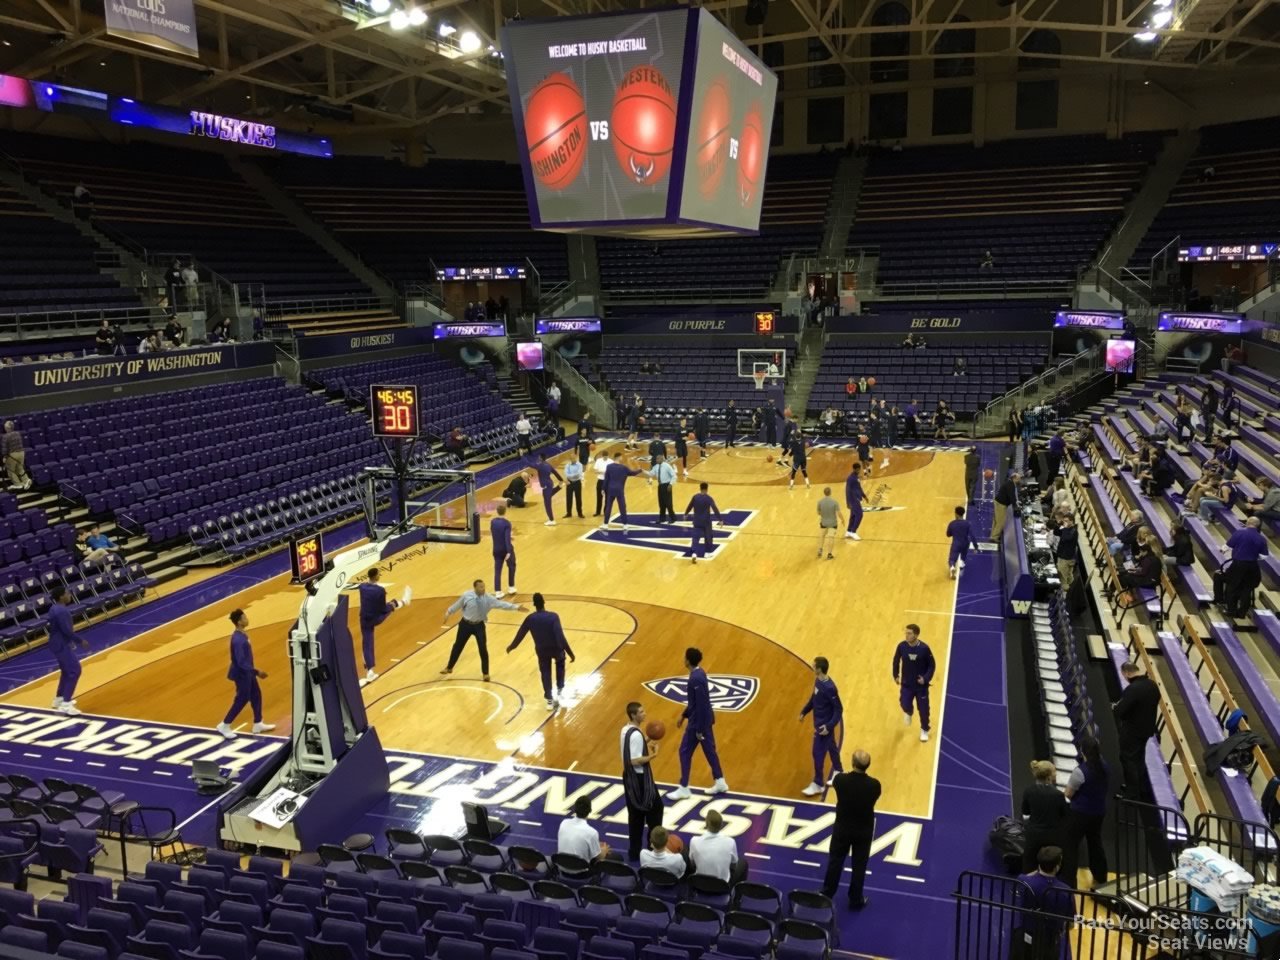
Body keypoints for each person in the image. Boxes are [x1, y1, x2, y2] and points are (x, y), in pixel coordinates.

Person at [821, 749, 880, 909]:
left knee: (835, 861)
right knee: (859, 866)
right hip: (863, 831)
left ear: (852, 763)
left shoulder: (840, 780)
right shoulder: (874, 785)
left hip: (843, 829)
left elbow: (838, 783)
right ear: (868, 765)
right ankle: (855, 899)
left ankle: (827, 894)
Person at [440, 579, 527, 681]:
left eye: (484, 587)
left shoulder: (489, 598)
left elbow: (502, 605)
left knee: (483, 648)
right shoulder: (466, 595)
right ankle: (449, 667)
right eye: (481, 587)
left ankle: (485, 673)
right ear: (475, 587)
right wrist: (448, 612)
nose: (483, 589)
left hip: (479, 626)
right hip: (465, 624)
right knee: (457, 646)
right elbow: (457, 605)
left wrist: (516, 607)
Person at [671, 647, 728, 798]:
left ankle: (684, 787)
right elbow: (696, 702)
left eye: (684, 657)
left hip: (698, 723)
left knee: (684, 752)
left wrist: (700, 729)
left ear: (688, 660)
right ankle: (720, 780)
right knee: (710, 751)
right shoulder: (700, 672)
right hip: (704, 720)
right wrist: (684, 715)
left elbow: (701, 704)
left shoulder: (695, 679)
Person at [508, 592, 576, 710]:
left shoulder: (530, 618)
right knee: (560, 664)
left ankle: (549, 700)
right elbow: (560, 636)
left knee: (545, 672)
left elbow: (520, 634)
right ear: (544, 602)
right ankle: (559, 692)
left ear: (534, 604)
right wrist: (570, 652)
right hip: (556, 648)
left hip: (542, 650)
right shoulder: (553, 616)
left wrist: (512, 646)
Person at [215, 609, 275, 738]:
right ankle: (225, 725)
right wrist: (256, 671)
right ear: (239, 622)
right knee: (242, 699)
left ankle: (258, 723)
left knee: (256, 695)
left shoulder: (242, 634)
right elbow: (241, 662)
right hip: (242, 673)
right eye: (244, 618)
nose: (247, 619)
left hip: (247, 672)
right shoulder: (238, 640)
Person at [1060, 736, 1109, 888]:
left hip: (1080, 814)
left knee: (1071, 845)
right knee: (1095, 843)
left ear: (1083, 751)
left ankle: (1068, 881)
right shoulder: (1105, 767)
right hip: (1098, 812)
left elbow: (1068, 794)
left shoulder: (1080, 772)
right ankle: (1101, 876)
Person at [1012, 847, 1076, 960]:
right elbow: (1071, 924)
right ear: (1057, 866)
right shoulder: (1066, 891)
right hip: (1050, 940)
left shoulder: (1023, 881)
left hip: (1027, 935)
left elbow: (1028, 876)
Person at [621, 701, 662, 862]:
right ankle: (654, 850)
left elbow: (630, 746)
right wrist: (653, 755)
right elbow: (634, 760)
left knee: (635, 816)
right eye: (641, 712)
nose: (644, 714)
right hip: (640, 780)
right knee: (656, 809)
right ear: (633, 715)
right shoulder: (636, 735)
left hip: (628, 778)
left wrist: (646, 739)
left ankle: (634, 852)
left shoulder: (625, 730)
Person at [1113, 661, 1159, 799]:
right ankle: (1141, 788)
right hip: (1147, 729)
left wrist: (1116, 708)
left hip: (1132, 730)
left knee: (1128, 759)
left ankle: (1132, 794)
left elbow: (1121, 711)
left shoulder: (1133, 689)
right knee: (1139, 758)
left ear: (1127, 673)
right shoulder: (1152, 685)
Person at [357, 567, 410, 686]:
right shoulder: (380, 590)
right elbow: (382, 608)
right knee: (390, 607)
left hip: (364, 619)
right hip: (376, 618)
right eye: (379, 574)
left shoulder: (362, 587)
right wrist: (392, 605)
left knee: (367, 644)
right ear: (376, 576)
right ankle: (403, 602)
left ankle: (370, 671)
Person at [800, 656, 843, 795]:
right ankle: (838, 771)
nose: (812, 667)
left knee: (817, 753)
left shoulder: (830, 688)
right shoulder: (818, 680)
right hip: (819, 722)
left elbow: (838, 709)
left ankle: (818, 783)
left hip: (823, 727)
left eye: (814, 666)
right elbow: (814, 698)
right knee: (831, 746)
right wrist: (805, 711)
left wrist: (829, 726)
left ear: (819, 669)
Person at [48, 586, 90, 715]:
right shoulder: (61, 611)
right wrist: (80, 641)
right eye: (67, 593)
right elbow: (66, 630)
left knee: (66, 671)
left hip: (57, 643)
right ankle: (66, 704)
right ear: (61, 596)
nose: (70, 595)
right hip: (61, 644)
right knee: (74, 670)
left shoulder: (54, 608)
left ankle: (59, 699)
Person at [1020, 762, 1067, 873]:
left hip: (1034, 835)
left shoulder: (1029, 791)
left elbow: (1025, 811)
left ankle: (1027, 887)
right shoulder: (1058, 795)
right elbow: (1064, 815)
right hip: (1052, 836)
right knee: (1052, 865)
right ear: (1049, 776)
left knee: (1029, 864)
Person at [892, 624, 935, 742]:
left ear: (916, 635)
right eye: (906, 633)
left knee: (924, 710)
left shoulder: (924, 649)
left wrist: (925, 679)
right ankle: (909, 711)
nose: (906, 635)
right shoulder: (901, 646)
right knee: (904, 703)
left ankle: (924, 729)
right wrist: (896, 675)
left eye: (909, 633)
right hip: (906, 684)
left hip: (921, 686)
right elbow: (896, 661)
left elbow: (932, 665)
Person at [1219, 517, 1267, 617]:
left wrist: (1223, 550)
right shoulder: (1261, 538)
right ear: (1257, 525)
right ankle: (1242, 613)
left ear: (1247, 523)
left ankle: (1231, 610)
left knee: (1232, 587)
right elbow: (1264, 556)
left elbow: (1227, 547)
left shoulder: (1239, 533)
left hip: (1238, 565)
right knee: (1247, 589)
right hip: (1252, 566)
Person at [690, 809, 744, 883]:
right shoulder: (730, 842)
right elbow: (734, 864)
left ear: (706, 824)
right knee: (743, 864)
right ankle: (736, 892)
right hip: (722, 886)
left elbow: (692, 863)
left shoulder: (694, 841)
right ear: (722, 825)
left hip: (700, 883)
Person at [558, 796, 612, 863]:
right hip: (582, 872)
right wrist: (604, 850)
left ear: (575, 809)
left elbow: (576, 838)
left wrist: (595, 844)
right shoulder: (592, 833)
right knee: (616, 857)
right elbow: (599, 858)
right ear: (590, 810)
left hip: (562, 868)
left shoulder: (564, 823)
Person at [682, 481, 722, 562]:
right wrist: (720, 519)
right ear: (707, 489)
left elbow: (690, 506)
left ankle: (694, 553)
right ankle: (707, 553)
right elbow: (715, 509)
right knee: (708, 537)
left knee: (695, 538)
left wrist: (686, 514)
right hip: (706, 522)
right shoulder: (709, 498)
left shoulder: (695, 497)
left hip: (697, 521)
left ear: (700, 488)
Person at [602, 452, 643, 531]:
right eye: (621, 457)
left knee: (608, 507)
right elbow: (632, 473)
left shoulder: (609, 467)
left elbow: (606, 479)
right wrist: (640, 470)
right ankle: (625, 525)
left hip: (610, 489)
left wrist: (603, 488)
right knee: (622, 507)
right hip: (619, 490)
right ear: (619, 457)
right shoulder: (623, 467)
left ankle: (605, 524)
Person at [491, 503, 517, 596]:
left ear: (497, 511)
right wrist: (509, 551)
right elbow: (506, 538)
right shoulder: (507, 523)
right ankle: (511, 587)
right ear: (505, 512)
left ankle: (498, 591)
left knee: (497, 571)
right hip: (505, 549)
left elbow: (495, 534)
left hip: (496, 549)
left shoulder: (493, 522)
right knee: (512, 567)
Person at [533, 454, 564, 527]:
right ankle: (559, 487)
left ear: (541, 458)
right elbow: (555, 472)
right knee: (549, 496)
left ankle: (551, 520)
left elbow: (528, 463)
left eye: (539, 457)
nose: (538, 458)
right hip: (550, 484)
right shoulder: (548, 465)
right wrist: (561, 480)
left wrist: (522, 456)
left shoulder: (540, 465)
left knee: (547, 504)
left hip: (546, 486)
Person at [816, 487, 844, 560]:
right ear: (830, 493)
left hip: (823, 522)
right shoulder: (834, 502)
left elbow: (818, 512)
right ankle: (829, 554)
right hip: (833, 523)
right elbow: (839, 513)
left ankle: (820, 550)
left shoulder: (820, 502)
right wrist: (843, 520)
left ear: (824, 493)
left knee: (822, 536)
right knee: (831, 538)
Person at [648, 455, 677, 524]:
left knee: (668, 503)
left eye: (658, 459)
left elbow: (674, 476)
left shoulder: (667, 466)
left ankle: (673, 518)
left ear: (662, 459)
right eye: (656, 459)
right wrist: (642, 471)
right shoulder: (656, 467)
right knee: (661, 503)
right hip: (660, 486)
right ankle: (662, 518)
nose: (656, 460)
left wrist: (670, 484)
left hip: (667, 485)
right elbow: (650, 474)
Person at [2, 421, 31, 490]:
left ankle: (17, 484)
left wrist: (5, 457)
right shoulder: (18, 433)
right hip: (21, 453)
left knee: (10, 470)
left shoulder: (5, 436)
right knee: (19, 468)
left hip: (13, 455)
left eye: (5, 426)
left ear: (7, 428)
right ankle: (26, 480)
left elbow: (4, 448)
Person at [992, 472, 1021, 539]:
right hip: (1001, 504)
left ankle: (993, 534)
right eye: (1018, 479)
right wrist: (1015, 506)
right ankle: (994, 537)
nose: (1019, 480)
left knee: (996, 520)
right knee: (1001, 522)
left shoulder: (1009, 482)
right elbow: (1012, 496)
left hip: (998, 502)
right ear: (1014, 478)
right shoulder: (1011, 485)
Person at [1054, 512, 1078, 591]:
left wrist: (1065, 528)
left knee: (1063, 576)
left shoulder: (1073, 531)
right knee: (1068, 575)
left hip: (1066, 557)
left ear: (1071, 521)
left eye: (1067, 521)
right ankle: (1071, 588)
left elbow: (1065, 538)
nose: (1065, 522)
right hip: (1063, 555)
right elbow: (1056, 532)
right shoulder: (1066, 529)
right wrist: (1058, 524)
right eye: (1064, 521)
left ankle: (1065, 591)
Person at [592, 450, 611, 517]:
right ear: (602, 456)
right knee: (599, 497)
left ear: (608, 456)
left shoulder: (611, 461)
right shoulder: (598, 461)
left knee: (608, 497)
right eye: (604, 457)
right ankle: (598, 512)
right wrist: (603, 472)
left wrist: (603, 472)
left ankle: (606, 512)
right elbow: (595, 471)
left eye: (606, 457)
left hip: (608, 481)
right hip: (600, 481)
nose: (605, 458)